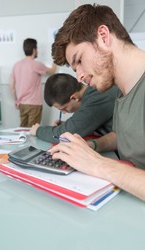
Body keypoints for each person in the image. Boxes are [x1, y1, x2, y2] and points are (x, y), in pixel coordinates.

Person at [50, 4, 145, 201]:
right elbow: (124, 136)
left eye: (79, 60)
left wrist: (97, 164)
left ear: (103, 36)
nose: (79, 76)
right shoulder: (121, 89)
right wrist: (90, 147)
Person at [30, 73, 119, 143]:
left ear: (74, 98)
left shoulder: (96, 99)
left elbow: (64, 134)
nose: (64, 112)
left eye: (63, 108)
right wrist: (69, 124)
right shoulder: (93, 93)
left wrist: (38, 130)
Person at [10, 38, 57, 127]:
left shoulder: (16, 65)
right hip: (34, 105)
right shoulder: (37, 65)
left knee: (23, 132)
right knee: (32, 131)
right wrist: (56, 56)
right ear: (34, 50)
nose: (38, 51)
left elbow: (12, 87)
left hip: (22, 105)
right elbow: (53, 71)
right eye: (37, 49)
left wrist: (16, 100)